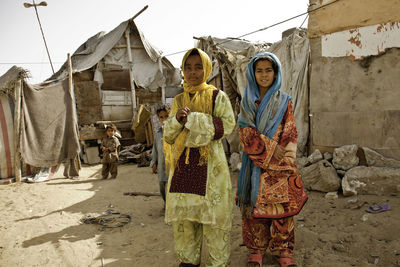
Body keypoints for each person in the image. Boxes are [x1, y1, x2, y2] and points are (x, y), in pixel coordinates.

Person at [163, 48, 235, 267]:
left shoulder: (217, 96)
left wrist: (193, 119)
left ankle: (216, 263)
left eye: (198, 67)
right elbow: (168, 134)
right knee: (185, 223)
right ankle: (188, 261)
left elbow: (228, 125)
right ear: (182, 70)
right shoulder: (178, 99)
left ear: (206, 69)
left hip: (211, 169)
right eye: (188, 67)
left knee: (214, 223)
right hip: (183, 170)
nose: (192, 72)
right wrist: (176, 119)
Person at [237, 52, 308, 267]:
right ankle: (256, 250)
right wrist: (269, 148)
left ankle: (283, 251)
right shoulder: (247, 101)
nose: (264, 74)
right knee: (254, 209)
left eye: (269, 70)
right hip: (255, 165)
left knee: (282, 211)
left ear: (276, 73)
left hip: (280, 166)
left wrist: (284, 154)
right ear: (252, 73)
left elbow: (291, 131)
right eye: (259, 70)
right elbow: (244, 131)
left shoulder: (284, 100)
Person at [150, 106, 170, 207]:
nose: (164, 119)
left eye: (166, 116)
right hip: (162, 164)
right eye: (161, 117)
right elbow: (155, 149)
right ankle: (165, 202)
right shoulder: (158, 133)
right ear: (158, 119)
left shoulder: (174, 132)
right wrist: (154, 162)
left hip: (172, 164)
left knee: (172, 186)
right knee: (162, 184)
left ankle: (170, 206)